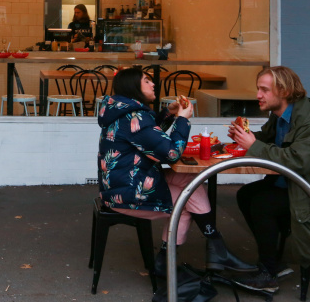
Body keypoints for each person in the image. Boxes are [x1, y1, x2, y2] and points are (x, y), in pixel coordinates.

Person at [97, 67, 256, 276]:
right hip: (128, 191)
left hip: (124, 181)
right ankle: (177, 258)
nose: (153, 84)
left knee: (189, 179)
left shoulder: (124, 111)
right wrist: (182, 120)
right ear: (134, 87)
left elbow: (149, 135)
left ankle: (213, 250)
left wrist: (169, 113)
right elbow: (171, 153)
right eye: (146, 81)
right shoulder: (134, 117)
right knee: (186, 199)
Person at [227, 66, 310, 294]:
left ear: (285, 91)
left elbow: (299, 161)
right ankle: (274, 262)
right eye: (258, 89)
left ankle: (268, 274)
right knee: (246, 194)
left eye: (264, 90)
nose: (258, 95)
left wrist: (253, 145)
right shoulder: (280, 114)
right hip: (297, 184)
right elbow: (268, 140)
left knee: (262, 204)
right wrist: (245, 137)